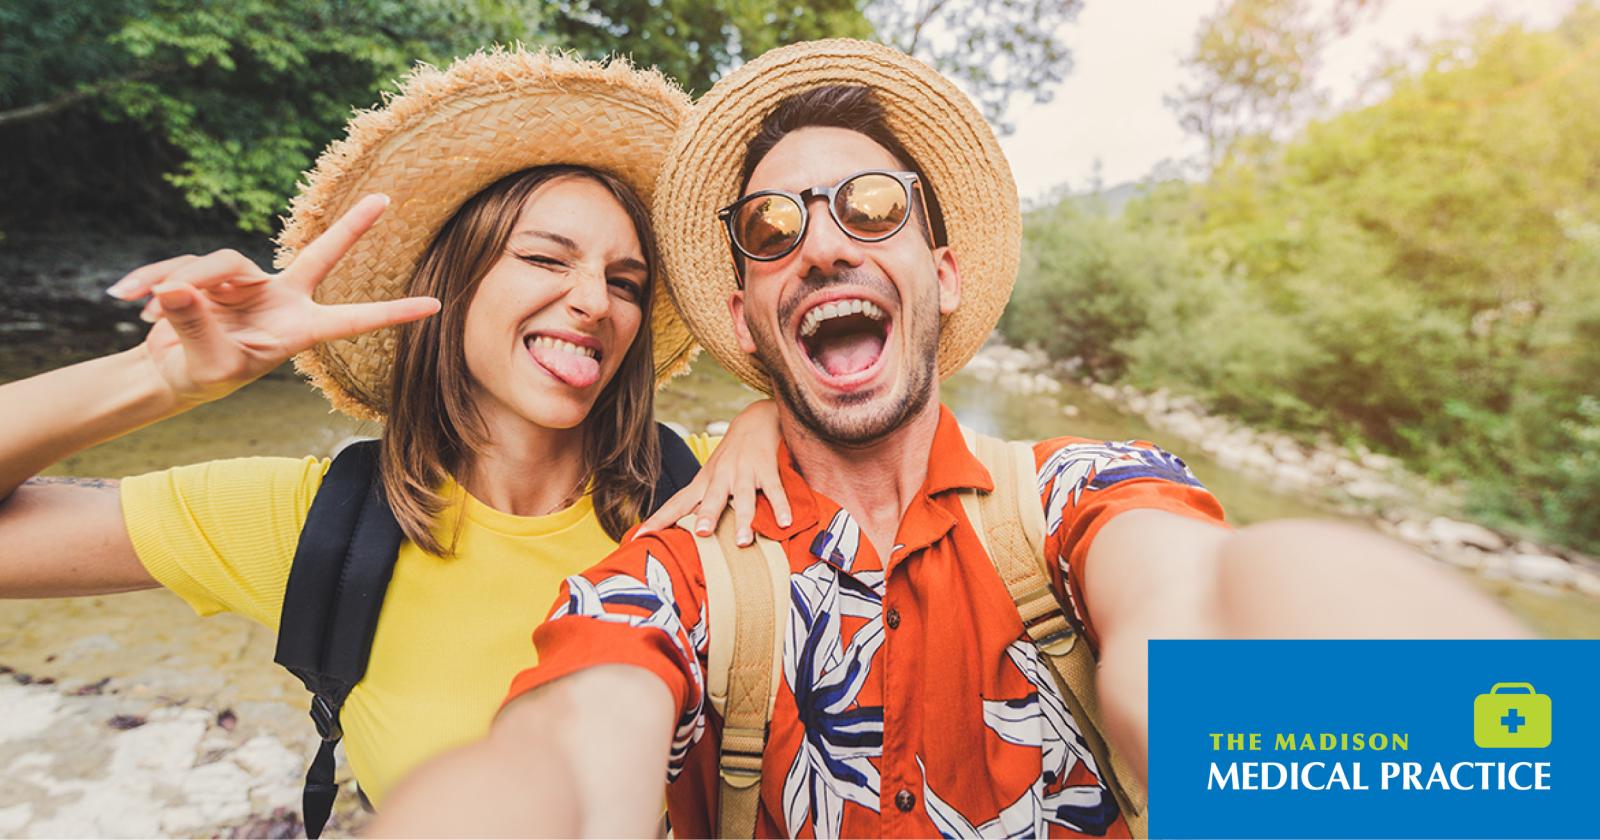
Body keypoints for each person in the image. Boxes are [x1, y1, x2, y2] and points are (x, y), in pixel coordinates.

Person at [372, 40, 1531, 838]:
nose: (821, 245)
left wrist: (1455, 760)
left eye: (870, 207)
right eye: (771, 230)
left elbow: (1205, 610)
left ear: (940, 270)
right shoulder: (673, 580)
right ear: (744, 316)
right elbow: (571, 762)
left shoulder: (1082, 498)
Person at [0, 49, 791, 830]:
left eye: (626, 282)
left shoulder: (705, 486)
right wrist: (160, 382)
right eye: (546, 258)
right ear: (452, 285)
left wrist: (769, 415)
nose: (594, 301)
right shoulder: (320, 523)